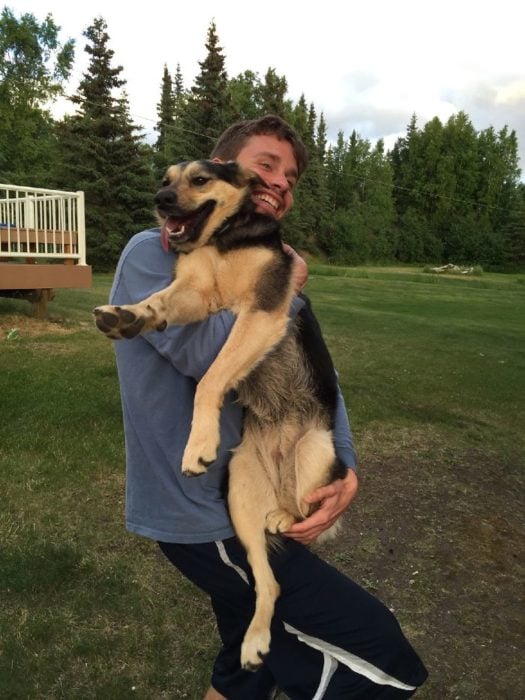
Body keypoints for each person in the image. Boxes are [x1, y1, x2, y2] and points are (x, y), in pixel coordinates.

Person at [109, 114, 428, 698]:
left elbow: (315, 376)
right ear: (223, 176)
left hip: (258, 491)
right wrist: (283, 289)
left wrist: (345, 466)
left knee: (245, 667)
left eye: (292, 176)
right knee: (383, 659)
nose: (282, 181)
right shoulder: (150, 254)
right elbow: (205, 354)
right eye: (266, 165)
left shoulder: (272, 267)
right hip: (206, 518)